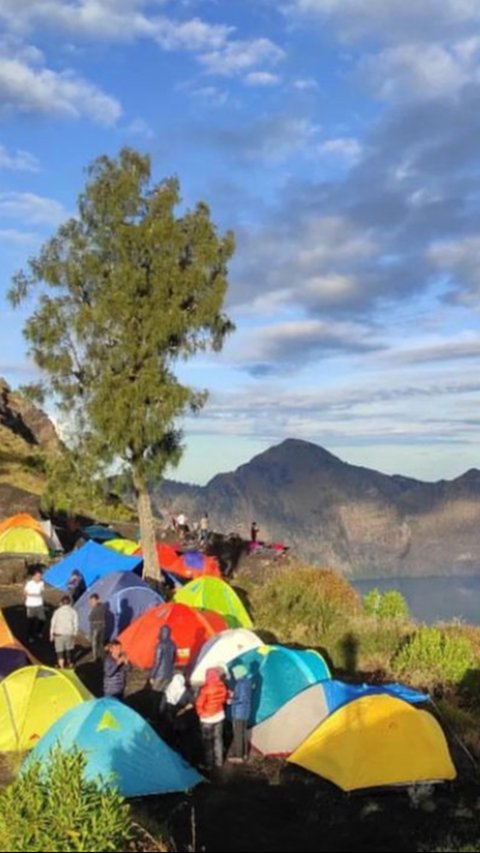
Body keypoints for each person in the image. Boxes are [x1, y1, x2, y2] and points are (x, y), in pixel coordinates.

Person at [195, 667, 229, 770]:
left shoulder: (205, 689)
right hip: (219, 716)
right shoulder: (222, 686)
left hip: (207, 719)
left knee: (208, 742)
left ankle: (209, 764)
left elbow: (199, 703)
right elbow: (224, 698)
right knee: (218, 739)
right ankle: (219, 761)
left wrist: (201, 713)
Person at [150, 625, 177, 715]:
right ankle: (162, 712)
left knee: (155, 694)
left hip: (159, 674)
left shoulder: (160, 645)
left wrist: (152, 675)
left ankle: (154, 714)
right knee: (163, 694)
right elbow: (173, 659)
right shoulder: (173, 644)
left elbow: (157, 661)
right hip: (169, 673)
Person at [229, 663, 252, 763]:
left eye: (234, 673)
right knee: (243, 733)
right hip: (245, 711)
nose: (234, 675)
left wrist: (231, 700)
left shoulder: (240, 684)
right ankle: (245, 754)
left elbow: (241, 699)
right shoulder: (247, 682)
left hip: (239, 712)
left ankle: (239, 756)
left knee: (238, 734)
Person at [50, 595, 79, 669]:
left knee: (60, 652)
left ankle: (62, 667)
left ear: (62, 603)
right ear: (70, 603)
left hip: (58, 634)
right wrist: (75, 633)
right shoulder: (73, 611)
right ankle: (70, 664)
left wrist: (51, 634)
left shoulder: (57, 611)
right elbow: (76, 623)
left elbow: (53, 623)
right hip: (69, 633)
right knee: (69, 650)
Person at [24, 568, 46, 644]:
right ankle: (30, 636)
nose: (39, 578)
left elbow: (42, 591)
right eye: (38, 576)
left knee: (42, 619)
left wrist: (40, 595)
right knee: (31, 621)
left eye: (40, 576)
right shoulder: (29, 583)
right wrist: (33, 595)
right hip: (31, 605)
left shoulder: (42, 583)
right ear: (33, 576)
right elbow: (25, 593)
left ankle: (38, 631)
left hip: (39, 604)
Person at [88, 593, 106, 662]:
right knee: (100, 643)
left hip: (95, 627)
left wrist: (92, 609)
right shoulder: (103, 606)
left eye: (92, 601)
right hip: (102, 625)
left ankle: (94, 657)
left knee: (94, 643)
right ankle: (102, 655)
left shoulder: (95, 609)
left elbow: (90, 618)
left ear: (97, 600)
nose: (91, 603)